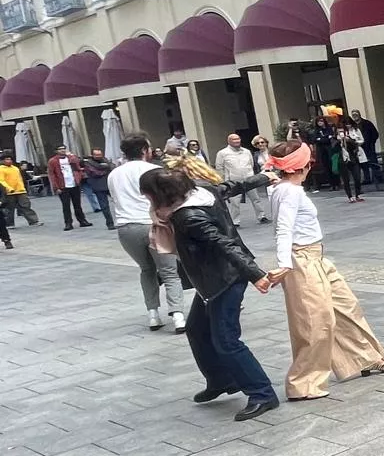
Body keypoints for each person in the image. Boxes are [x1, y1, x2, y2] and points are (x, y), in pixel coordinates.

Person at [141, 167, 280, 421]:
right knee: (196, 329)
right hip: (213, 278)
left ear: (161, 195)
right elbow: (233, 186)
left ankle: (263, 393)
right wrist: (264, 177)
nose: (147, 200)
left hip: (224, 279)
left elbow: (223, 244)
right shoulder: (202, 193)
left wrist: (255, 274)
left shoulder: (187, 216)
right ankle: (220, 380)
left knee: (226, 341)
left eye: (148, 195)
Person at [264, 139, 384, 401]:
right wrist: (284, 264)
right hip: (301, 259)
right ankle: (303, 384)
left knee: (346, 306)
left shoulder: (285, 188)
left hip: (316, 257)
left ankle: (365, 358)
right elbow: (283, 230)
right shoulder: (289, 191)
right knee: (315, 321)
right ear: (303, 164)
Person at [109, 134, 186, 332]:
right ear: (144, 150)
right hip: (154, 223)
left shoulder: (114, 174)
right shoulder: (154, 170)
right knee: (169, 272)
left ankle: (153, 314)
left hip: (126, 227)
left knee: (146, 269)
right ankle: (178, 315)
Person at [215, 134, 267, 224]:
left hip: (249, 179)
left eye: (238, 139)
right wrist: (222, 181)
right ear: (229, 141)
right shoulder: (222, 153)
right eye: (234, 139)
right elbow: (219, 168)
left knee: (256, 199)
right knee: (234, 202)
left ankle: (262, 216)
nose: (237, 141)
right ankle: (235, 221)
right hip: (233, 181)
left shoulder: (246, 151)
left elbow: (251, 164)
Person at [47, 145, 92, 231]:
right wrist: (56, 187)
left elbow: (78, 166)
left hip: (74, 184)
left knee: (77, 205)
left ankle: (82, 221)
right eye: (60, 149)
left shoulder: (71, 158)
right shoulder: (52, 161)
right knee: (66, 206)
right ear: (56, 151)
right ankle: (68, 223)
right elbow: (52, 175)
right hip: (62, 186)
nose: (63, 150)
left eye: (64, 149)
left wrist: (78, 178)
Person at [1, 151, 41, 230]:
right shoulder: (1, 169)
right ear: (2, 160)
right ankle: (9, 224)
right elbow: (1, 181)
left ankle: (33, 221)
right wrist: (9, 188)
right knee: (9, 208)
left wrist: (23, 188)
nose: (9, 161)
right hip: (9, 192)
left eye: (10, 159)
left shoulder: (15, 168)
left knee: (26, 205)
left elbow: (20, 179)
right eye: (7, 159)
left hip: (20, 190)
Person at [80, 148, 115, 230]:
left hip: (109, 184)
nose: (98, 156)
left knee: (119, 202)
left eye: (100, 154)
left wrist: (104, 167)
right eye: (96, 155)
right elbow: (95, 173)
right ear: (92, 155)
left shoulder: (105, 159)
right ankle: (110, 223)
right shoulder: (88, 163)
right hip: (98, 187)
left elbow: (113, 166)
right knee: (104, 206)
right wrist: (106, 169)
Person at [335, 118, 367, 203]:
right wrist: (340, 139)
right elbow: (334, 145)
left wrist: (351, 140)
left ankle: (358, 194)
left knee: (357, 177)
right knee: (346, 179)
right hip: (343, 158)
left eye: (349, 124)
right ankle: (350, 196)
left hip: (353, 156)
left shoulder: (354, 131)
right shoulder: (338, 134)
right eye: (346, 124)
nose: (348, 126)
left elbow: (359, 141)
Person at [351, 109, 381, 186]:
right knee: (363, 163)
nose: (355, 116)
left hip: (369, 146)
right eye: (353, 115)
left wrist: (371, 143)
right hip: (359, 147)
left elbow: (375, 134)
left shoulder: (367, 123)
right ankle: (367, 179)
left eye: (356, 114)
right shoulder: (352, 126)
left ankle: (378, 178)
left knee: (373, 162)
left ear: (359, 114)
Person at [307, 115, 336, 191]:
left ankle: (336, 183)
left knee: (333, 167)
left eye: (321, 121)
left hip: (329, 150)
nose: (320, 123)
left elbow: (330, 137)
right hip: (322, 151)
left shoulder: (328, 128)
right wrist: (323, 138)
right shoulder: (316, 130)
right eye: (318, 121)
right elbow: (315, 139)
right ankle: (331, 184)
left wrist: (321, 139)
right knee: (326, 167)